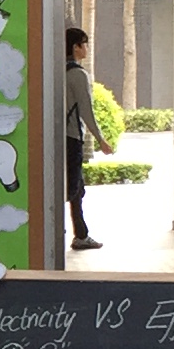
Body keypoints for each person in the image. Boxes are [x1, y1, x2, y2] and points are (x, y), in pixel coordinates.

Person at [63, 25, 104, 253]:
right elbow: (86, 110)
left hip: (60, 137)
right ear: (76, 47)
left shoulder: (57, 71)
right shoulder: (78, 75)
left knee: (76, 188)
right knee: (73, 187)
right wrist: (100, 138)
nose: (86, 48)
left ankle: (81, 234)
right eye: (84, 44)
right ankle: (74, 233)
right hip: (72, 138)